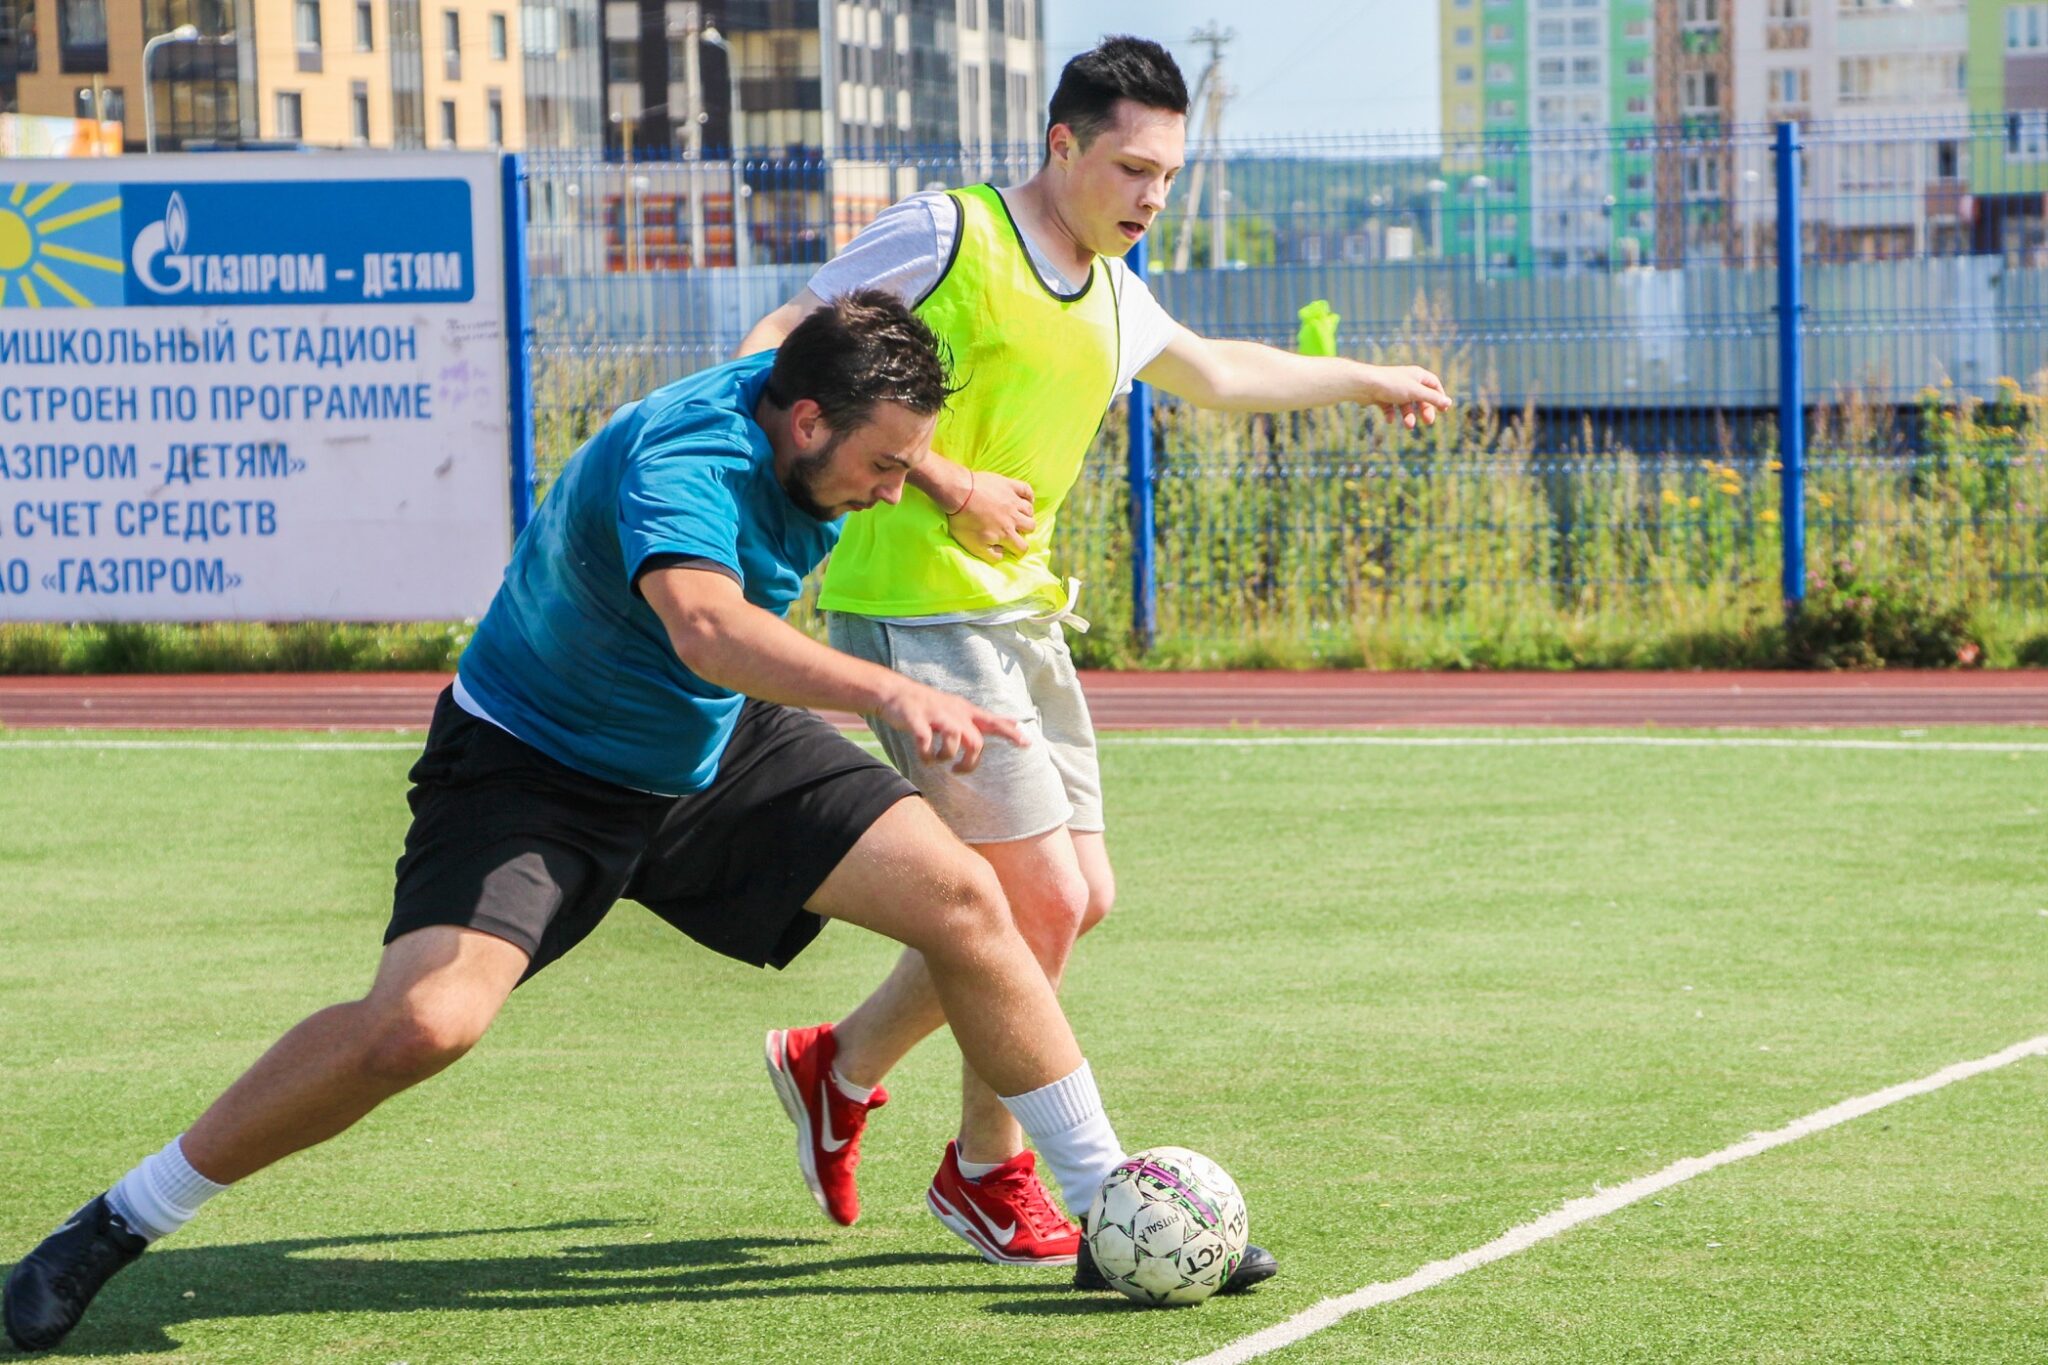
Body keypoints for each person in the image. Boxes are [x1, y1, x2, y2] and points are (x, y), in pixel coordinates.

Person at [2, 292, 1137, 1354]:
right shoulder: (681, 458)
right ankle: (116, 1221)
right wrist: (885, 691)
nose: (894, 488)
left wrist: (940, 476)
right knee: (422, 1027)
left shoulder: (808, 386)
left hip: (705, 742)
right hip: (535, 768)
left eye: (907, 461)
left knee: (964, 902)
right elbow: (703, 627)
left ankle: (1110, 1213)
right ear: (802, 421)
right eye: (883, 465)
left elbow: (800, 329)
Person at [739, 36, 1453, 1292]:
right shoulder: (947, 236)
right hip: (915, 613)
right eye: (1130, 167)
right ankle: (994, 1172)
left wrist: (1363, 378)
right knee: (1042, 907)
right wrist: (942, 475)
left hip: (1023, 622)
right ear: (1060, 145)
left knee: (1076, 897)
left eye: (1167, 176)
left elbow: (1221, 371)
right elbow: (786, 343)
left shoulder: (1115, 291)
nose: (1149, 196)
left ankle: (837, 1064)